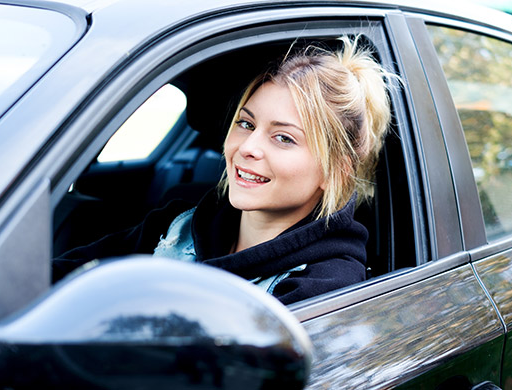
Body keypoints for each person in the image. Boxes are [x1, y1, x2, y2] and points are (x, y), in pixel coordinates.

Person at [53, 36, 396, 305]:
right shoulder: (180, 222)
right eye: (246, 123)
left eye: (283, 138)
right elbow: (72, 274)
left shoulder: (323, 285)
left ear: (334, 171)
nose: (247, 147)